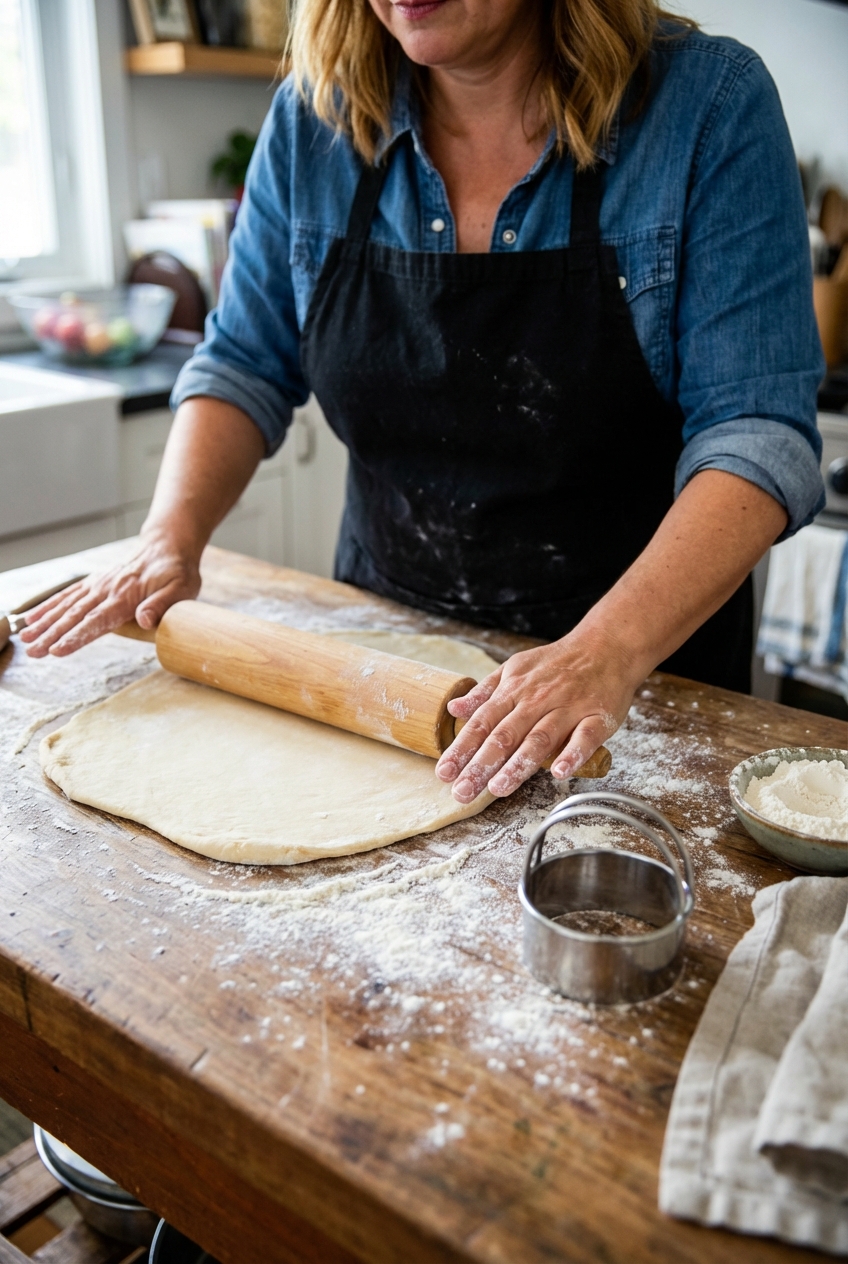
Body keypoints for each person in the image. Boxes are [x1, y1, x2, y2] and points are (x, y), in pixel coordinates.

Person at [22, 0, 824, 808]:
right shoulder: (316, 117)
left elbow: (754, 434)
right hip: (385, 679)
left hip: (634, 689)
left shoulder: (707, 107)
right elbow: (242, 363)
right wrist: (169, 538)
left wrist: (603, 654)